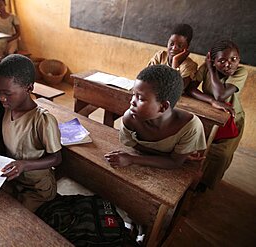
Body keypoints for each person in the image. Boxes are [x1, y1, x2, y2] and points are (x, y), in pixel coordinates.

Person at [0, 54, 62, 212]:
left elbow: (56, 158)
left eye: (8, 93)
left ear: (29, 88)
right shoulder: (8, 109)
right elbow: (17, 141)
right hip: (14, 181)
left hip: (37, 189)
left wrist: (24, 165)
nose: (2, 98)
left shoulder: (43, 120)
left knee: (16, 217)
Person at [105, 64, 206, 169]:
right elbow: (133, 145)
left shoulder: (189, 126)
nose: (132, 102)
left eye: (140, 98)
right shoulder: (130, 118)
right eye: (133, 95)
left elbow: (175, 163)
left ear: (163, 107)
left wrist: (132, 159)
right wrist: (170, 156)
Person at [187, 40, 248, 190]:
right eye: (222, 61)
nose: (229, 64)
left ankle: (205, 184)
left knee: (222, 155)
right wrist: (211, 101)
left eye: (234, 59)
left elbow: (221, 95)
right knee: (201, 148)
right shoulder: (206, 69)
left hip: (232, 119)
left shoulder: (241, 72)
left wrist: (211, 68)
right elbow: (191, 89)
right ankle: (191, 177)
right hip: (209, 115)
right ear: (213, 60)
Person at [148, 24, 197, 90]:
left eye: (179, 46)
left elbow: (176, 90)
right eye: (171, 44)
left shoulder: (189, 66)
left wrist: (175, 61)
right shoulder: (160, 56)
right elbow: (147, 79)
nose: (174, 48)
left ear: (187, 47)